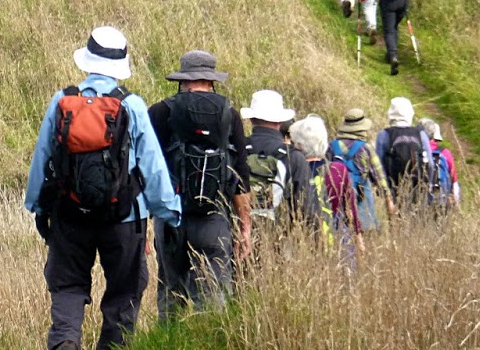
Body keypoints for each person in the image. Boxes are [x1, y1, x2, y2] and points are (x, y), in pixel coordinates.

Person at [26, 26, 182, 350]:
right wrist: (169, 212)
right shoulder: (132, 105)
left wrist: (38, 206)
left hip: (69, 214)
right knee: (124, 295)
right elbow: (153, 165)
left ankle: (66, 342)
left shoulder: (62, 100)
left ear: (87, 60)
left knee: (68, 288)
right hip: (124, 219)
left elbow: (42, 156)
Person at [148, 50, 253, 316]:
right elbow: (241, 174)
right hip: (213, 219)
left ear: (183, 80)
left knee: (171, 295)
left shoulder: (160, 111)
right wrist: (245, 226)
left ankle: (170, 337)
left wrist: (142, 223)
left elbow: (145, 168)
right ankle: (208, 335)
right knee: (213, 299)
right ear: (211, 80)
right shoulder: (229, 114)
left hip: (170, 218)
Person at [241, 90, 317, 233]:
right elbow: (309, 210)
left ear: (251, 119)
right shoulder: (294, 157)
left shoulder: (236, 150)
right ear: (281, 122)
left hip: (237, 235)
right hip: (280, 238)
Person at [291, 116, 361, 268]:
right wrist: (358, 235)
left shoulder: (294, 170)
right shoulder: (338, 169)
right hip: (337, 233)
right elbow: (350, 208)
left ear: (298, 144)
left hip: (304, 234)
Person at [329, 108, 394, 231]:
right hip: (361, 198)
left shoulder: (332, 147)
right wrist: (388, 198)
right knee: (364, 231)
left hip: (336, 197)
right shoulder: (366, 148)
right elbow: (379, 176)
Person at [376, 97, 431, 211]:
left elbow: (378, 168)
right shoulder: (421, 134)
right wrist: (428, 185)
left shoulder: (384, 135)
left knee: (396, 219)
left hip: (394, 189)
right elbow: (429, 164)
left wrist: (386, 195)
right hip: (419, 188)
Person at [418, 117, 461, 213]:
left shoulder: (414, 151)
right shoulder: (445, 153)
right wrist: (457, 206)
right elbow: (454, 180)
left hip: (418, 202)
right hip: (440, 201)